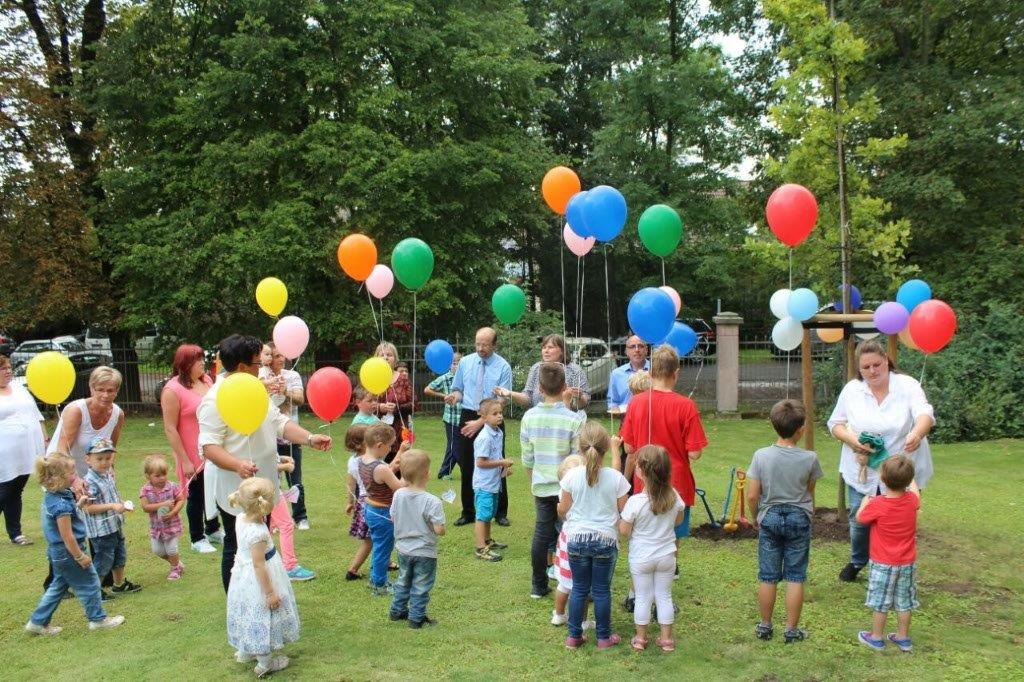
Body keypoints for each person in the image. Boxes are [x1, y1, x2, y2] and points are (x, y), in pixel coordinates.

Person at [198, 334, 332, 592]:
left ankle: (263, 593)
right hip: (237, 490)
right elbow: (209, 447)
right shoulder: (214, 400)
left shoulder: (256, 389)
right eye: (257, 363)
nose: (263, 367)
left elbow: (278, 423)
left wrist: (309, 438)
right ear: (241, 367)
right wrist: (237, 465)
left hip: (267, 485)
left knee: (263, 540)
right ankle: (238, 602)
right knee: (237, 546)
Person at [827, 339, 934, 583]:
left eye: (877, 364)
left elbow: (925, 413)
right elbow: (835, 424)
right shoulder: (852, 390)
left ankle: (897, 564)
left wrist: (917, 433)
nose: (873, 371)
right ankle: (858, 560)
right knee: (859, 517)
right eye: (866, 367)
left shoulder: (907, 385)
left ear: (886, 360)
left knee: (898, 520)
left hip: (899, 468)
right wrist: (852, 440)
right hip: (862, 466)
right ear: (859, 368)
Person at [746, 399, 823, 643]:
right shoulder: (810, 458)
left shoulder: (761, 456)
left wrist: (755, 515)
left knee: (768, 575)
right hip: (799, 517)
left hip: (769, 516)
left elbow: (752, 494)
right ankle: (791, 630)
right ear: (801, 429)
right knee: (795, 575)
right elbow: (810, 491)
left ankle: (765, 626)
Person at [25, 453, 124, 634]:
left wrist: (79, 504)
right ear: (58, 477)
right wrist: (80, 556)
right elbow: (67, 535)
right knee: (90, 582)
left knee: (58, 586)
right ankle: (98, 619)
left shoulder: (56, 497)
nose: (76, 475)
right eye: (72, 472)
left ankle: (37, 622)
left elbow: (64, 522)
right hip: (69, 551)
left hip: (59, 553)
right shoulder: (60, 505)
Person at [621, 344, 708, 542]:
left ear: (651, 373)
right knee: (673, 535)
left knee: (644, 534)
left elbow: (629, 448)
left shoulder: (636, 402)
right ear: (675, 373)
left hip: (645, 480)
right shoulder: (687, 406)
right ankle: (672, 568)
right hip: (676, 481)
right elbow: (695, 453)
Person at [557, 421, 630, 650]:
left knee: (578, 588)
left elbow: (562, 509)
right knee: (600, 590)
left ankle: (573, 636)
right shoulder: (615, 478)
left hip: (577, 539)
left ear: (579, 448)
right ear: (606, 448)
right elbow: (624, 510)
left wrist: (568, 515)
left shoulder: (570, 477)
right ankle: (603, 638)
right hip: (605, 540)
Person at [520, 362, 584, 598]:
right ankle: (574, 582)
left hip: (544, 486)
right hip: (567, 488)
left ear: (539, 388)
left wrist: (533, 480)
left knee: (542, 534)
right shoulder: (574, 419)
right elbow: (578, 457)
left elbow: (527, 457)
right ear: (565, 386)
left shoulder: (529, 417)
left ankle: (538, 586)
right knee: (571, 533)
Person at [226, 477, 299, 677]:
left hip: (242, 577)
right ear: (266, 505)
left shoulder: (241, 518)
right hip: (259, 579)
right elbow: (259, 565)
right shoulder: (257, 533)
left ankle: (245, 651)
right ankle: (265, 663)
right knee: (263, 614)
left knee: (247, 611)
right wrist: (269, 593)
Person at [619, 445, 685, 652]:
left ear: (640, 471)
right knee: (664, 595)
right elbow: (678, 520)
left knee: (643, 596)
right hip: (666, 555)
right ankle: (666, 640)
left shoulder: (636, 502)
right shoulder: (673, 496)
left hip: (641, 557)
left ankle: (640, 638)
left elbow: (624, 531)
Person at [446, 327, 512, 527]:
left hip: (493, 417)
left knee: (497, 463)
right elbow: (458, 389)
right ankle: (468, 512)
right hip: (468, 415)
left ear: (494, 345)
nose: (481, 348)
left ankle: (500, 512)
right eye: (477, 343)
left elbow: (501, 402)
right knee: (467, 464)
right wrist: (453, 397)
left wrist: (481, 421)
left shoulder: (503, 367)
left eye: (485, 344)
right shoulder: (465, 362)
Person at [855, 456, 921, 652]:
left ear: (882, 479)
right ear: (909, 481)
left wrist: (865, 503)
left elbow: (860, 519)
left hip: (883, 563)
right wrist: (911, 478)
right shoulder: (912, 501)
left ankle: (876, 638)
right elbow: (915, 491)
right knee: (904, 601)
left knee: (880, 602)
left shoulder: (878, 504)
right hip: (907, 562)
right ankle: (903, 638)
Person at [161, 344, 222, 554]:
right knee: (196, 494)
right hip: (190, 450)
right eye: (197, 360)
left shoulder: (206, 380)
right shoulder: (172, 389)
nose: (202, 363)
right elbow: (170, 428)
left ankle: (213, 528)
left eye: (201, 359)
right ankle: (197, 537)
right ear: (185, 364)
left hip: (211, 444)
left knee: (214, 488)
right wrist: (184, 459)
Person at [389, 449, 446, 629]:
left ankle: (396, 611)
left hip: (403, 549)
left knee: (403, 580)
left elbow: (393, 517)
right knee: (421, 585)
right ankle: (416, 618)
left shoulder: (398, 494)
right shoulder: (432, 501)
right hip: (424, 551)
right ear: (427, 474)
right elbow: (439, 530)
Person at [81, 437, 141, 598]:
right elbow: (87, 508)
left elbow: (112, 496)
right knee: (103, 560)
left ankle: (119, 584)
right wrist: (113, 506)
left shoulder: (107, 475)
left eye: (108, 458)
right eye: (99, 459)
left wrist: (122, 503)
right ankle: (94, 591)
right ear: (88, 459)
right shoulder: (88, 483)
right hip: (101, 530)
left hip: (115, 525)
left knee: (120, 555)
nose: (104, 462)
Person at [259, 343, 309, 529]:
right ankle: (272, 519)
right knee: (270, 481)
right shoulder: (261, 376)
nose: (280, 359)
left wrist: (284, 391)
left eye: (282, 355)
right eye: (275, 355)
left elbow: (300, 399)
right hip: (267, 437)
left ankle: (300, 516)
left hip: (290, 436)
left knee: (295, 477)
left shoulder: (292, 375)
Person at [0, 353, 47, 546]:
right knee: (4, 490)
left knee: (16, 490)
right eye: (3, 368)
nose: (8, 371)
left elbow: (36, 414)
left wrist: (44, 436)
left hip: (27, 450)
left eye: (9, 367)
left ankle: (15, 532)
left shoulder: (19, 388)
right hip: (4, 452)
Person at [47, 365, 125, 476]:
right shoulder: (76, 410)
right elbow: (62, 450)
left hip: (93, 477)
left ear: (117, 391)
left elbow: (110, 449)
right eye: (100, 390)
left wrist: (110, 469)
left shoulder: (118, 415)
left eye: (110, 391)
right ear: (91, 388)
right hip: (61, 473)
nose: (105, 395)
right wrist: (74, 480)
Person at [359, 423, 409, 595]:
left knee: (379, 547)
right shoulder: (379, 468)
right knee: (384, 549)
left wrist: (401, 451)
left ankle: (376, 578)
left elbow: (387, 469)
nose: (390, 450)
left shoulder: (363, 461)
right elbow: (400, 487)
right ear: (380, 446)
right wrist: (407, 470)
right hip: (383, 514)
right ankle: (379, 585)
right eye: (390, 446)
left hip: (371, 509)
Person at [550, 454, 594, 632]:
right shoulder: (585, 491)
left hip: (566, 537)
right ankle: (582, 621)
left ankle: (558, 615)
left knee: (564, 583)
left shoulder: (563, 492)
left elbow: (562, 512)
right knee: (581, 585)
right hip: (580, 538)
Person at [500, 334, 590, 411]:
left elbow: (584, 403)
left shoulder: (575, 370)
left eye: (550, 347)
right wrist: (510, 394)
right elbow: (528, 398)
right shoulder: (536, 368)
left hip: (567, 421)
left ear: (562, 351)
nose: (546, 351)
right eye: (544, 347)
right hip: (539, 420)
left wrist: (579, 397)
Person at [472, 399, 513, 562]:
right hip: (484, 485)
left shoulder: (498, 433)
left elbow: (496, 454)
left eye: (500, 413)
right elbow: (480, 462)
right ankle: (480, 548)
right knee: (483, 515)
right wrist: (502, 463)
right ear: (484, 417)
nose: (499, 416)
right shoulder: (484, 438)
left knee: (490, 513)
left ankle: (488, 541)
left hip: (494, 482)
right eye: (494, 414)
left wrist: (503, 469)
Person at [267, 449, 316, 582]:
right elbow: (261, 464)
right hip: (269, 490)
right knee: (286, 525)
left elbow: (268, 457)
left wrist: (281, 458)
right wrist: (284, 466)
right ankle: (290, 567)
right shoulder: (257, 435)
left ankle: (266, 564)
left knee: (267, 526)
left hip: (269, 488)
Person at [138, 455, 186, 581]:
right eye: (157, 476)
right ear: (148, 476)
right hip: (156, 527)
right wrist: (162, 505)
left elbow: (181, 500)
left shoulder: (172, 486)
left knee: (171, 548)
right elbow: (145, 507)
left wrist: (173, 512)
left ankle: (175, 569)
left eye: (164, 474)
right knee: (158, 550)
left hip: (172, 525)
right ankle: (176, 563)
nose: (162, 478)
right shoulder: (145, 490)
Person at [424, 353, 462, 479]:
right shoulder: (445, 378)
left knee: (461, 445)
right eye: (454, 363)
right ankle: (445, 472)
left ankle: (449, 471)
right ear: (449, 365)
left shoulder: (466, 378)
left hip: (464, 417)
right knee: (453, 446)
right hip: (451, 418)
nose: (457, 366)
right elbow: (427, 389)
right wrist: (444, 396)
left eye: (459, 363)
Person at [374, 342, 413, 464]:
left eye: (389, 355)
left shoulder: (403, 379)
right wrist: (380, 407)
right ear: (376, 358)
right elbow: (358, 403)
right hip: (376, 434)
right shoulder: (370, 377)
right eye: (382, 355)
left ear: (395, 359)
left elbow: (415, 405)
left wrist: (397, 408)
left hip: (399, 433)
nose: (385, 357)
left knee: (399, 470)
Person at [344, 424, 372, 581]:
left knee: (377, 536)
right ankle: (352, 570)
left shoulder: (352, 460)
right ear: (362, 443)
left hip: (361, 500)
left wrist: (349, 502)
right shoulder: (367, 461)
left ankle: (386, 561)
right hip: (371, 501)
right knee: (370, 541)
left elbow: (351, 483)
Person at [607, 335, 649, 415]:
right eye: (632, 347)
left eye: (640, 346)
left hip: (652, 423)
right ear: (626, 352)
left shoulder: (656, 371)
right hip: (626, 422)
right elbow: (612, 402)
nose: (637, 350)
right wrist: (616, 410)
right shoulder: (616, 374)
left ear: (646, 350)